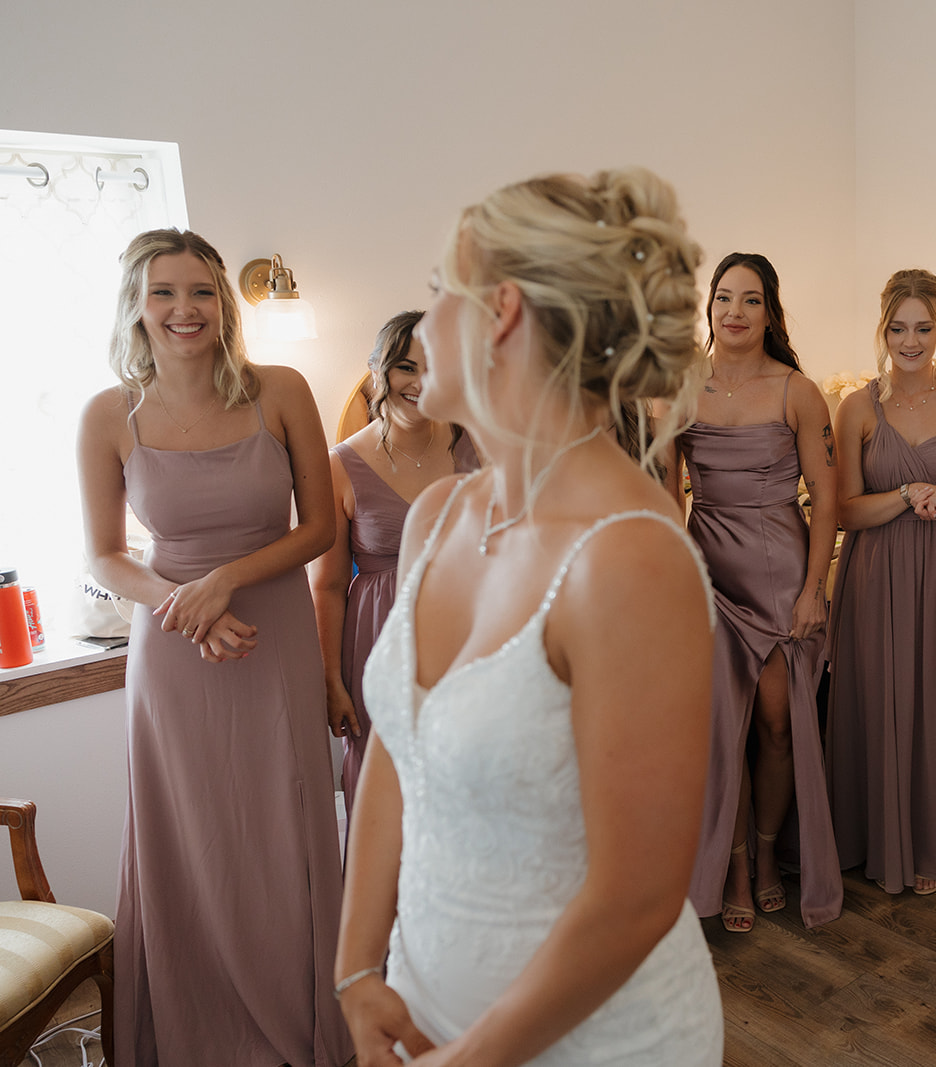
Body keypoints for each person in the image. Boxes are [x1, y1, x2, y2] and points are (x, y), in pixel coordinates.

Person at [334, 168, 723, 1065]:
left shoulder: (628, 556)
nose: (422, 327)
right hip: (422, 1001)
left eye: (440, 292)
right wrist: (356, 969)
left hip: (596, 1042)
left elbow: (636, 896)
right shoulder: (439, 516)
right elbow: (397, 747)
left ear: (501, 312)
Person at [76, 229, 351, 1065]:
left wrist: (226, 580)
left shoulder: (282, 390)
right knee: (188, 837)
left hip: (274, 636)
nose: (183, 309)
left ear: (224, 304)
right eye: (163, 292)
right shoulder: (107, 414)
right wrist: (185, 604)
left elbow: (320, 527)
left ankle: (304, 1023)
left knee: (285, 825)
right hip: (173, 651)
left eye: (200, 291)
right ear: (136, 305)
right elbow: (104, 556)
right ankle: (197, 1034)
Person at [673, 252, 843, 932]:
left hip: (779, 575)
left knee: (776, 727)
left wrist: (814, 589)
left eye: (749, 299)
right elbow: (663, 490)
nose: (734, 311)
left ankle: (770, 850)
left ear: (769, 312)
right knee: (723, 731)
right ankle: (737, 866)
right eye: (723, 297)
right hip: (707, 574)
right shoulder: (681, 386)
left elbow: (826, 499)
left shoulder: (797, 391)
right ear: (709, 307)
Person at [827, 268, 936, 896]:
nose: (910, 341)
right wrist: (905, 493)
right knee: (880, 698)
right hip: (875, 572)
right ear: (883, 329)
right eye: (898, 328)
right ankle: (878, 836)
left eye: (923, 328)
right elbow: (845, 511)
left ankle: (934, 840)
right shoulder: (857, 407)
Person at [310, 311, 479, 825]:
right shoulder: (339, 465)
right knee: (386, 795)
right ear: (378, 370)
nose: (421, 383)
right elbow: (328, 585)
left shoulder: (476, 445)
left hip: (468, 638)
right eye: (407, 367)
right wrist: (332, 679)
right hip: (378, 641)